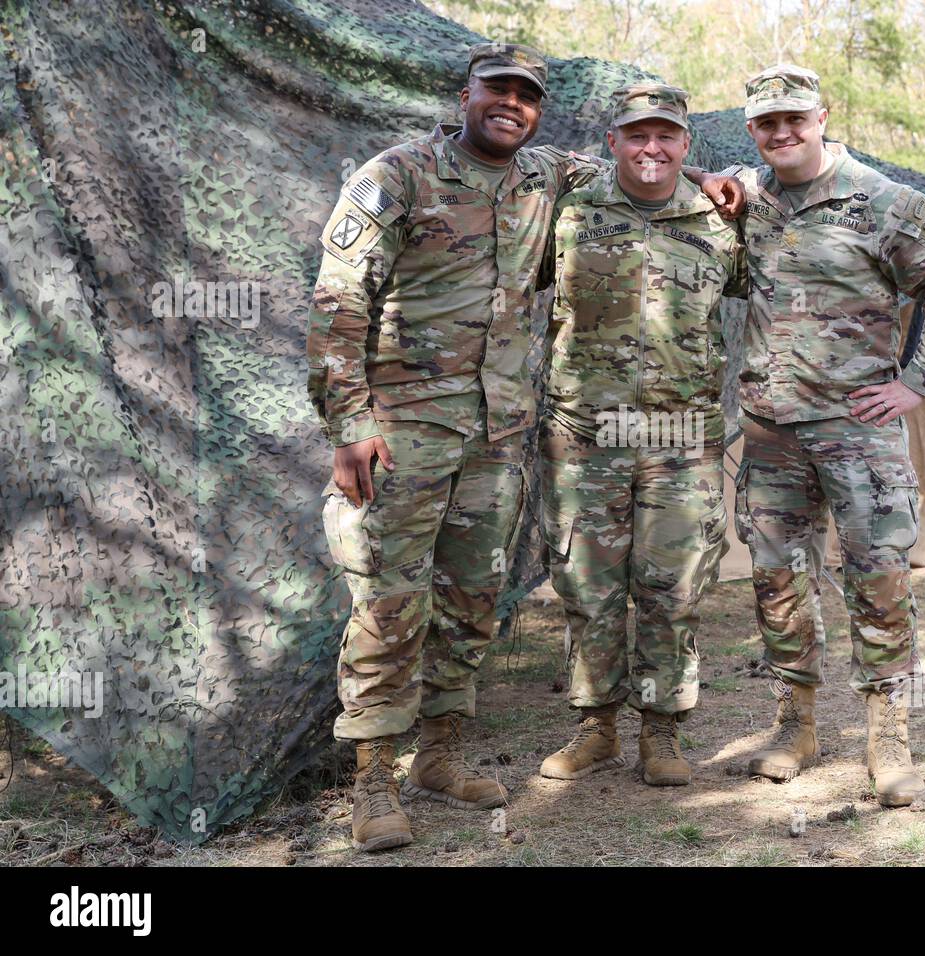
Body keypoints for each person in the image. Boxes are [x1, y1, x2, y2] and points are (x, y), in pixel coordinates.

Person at [307, 42, 742, 851]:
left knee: (472, 601)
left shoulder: (544, 177)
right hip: (401, 434)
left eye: (526, 96)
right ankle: (372, 780)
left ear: (539, 110)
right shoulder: (397, 175)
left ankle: (440, 757)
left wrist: (724, 180)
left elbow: (641, 166)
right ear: (465, 94)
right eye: (497, 91)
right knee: (389, 602)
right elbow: (338, 302)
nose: (511, 104)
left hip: (498, 437)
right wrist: (350, 426)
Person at [723, 64, 925, 806]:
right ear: (753, 131)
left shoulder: (886, 204)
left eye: (795, 119)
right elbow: (686, 177)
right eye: (768, 123)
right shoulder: (748, 196)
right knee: (776, 581)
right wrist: (715, 178)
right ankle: (794, 724)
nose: (783, 132)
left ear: (823, 117)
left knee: (878, 578)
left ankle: (888, 735)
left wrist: (918, 382)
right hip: (771, 434)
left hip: (858, 432)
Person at [538, 83, 747, 787]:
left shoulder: (722, 223)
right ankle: (595, 728)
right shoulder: (568, 212)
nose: (650, 148)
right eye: (636, 136)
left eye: (666, 136)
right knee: (587, 585)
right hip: (585, 433)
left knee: (672, 586)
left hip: (679, 437)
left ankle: (661, 734)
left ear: (686, 145)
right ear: (613, 143)